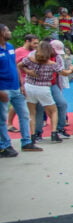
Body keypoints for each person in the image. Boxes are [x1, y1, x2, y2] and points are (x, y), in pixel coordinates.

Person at [19, 40, 73, 144]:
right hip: (43, 87)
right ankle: (53, 133)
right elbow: (63, 72)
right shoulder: (51, 64)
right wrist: (72, 70)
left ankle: (33, 135)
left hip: (30, 86)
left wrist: (28, 72)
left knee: (32, 113)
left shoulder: (30, 59)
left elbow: (19, 65)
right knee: (53, 111)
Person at [0, 24, 38, 156]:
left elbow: (15, 66)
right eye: (7, 30)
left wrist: (21, 84)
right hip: (3, 89)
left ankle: (26, 142)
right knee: (2, 119)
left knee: (24, 115)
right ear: (1, 33)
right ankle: (4, 146)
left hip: (16, 87)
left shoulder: (10, 47)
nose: (9, 32)